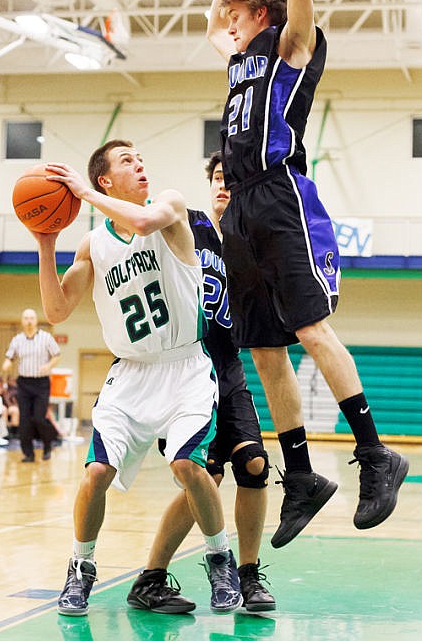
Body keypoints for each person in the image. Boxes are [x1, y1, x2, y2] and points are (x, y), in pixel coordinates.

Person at [206, 0, 408, 547]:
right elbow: (210, 26)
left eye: (237, 14)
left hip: (279, 196)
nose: (227, 25)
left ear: (260, 14)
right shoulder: (236, 59)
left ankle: (375, 456)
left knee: (313, 332)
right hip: (237, 209)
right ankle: (302, 477)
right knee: (264, 350)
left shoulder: (291, 43)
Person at [30, 140, 242, 616]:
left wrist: (82, 194)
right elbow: (56, 309)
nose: (140, 165)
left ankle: (219, 559)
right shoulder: (93, 243)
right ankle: (80, 568)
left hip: (186, 367)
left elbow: (141, 222)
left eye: (141, 159)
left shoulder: (168, 206)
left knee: (188, 466)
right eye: (128, 162)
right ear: (107, 179)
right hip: (130, 374)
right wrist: (45, 243)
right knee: (96, 473)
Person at [127, 152, 275, 614]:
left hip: (228, 367)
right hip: (186, 366)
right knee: (203, 475)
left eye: (233, 180)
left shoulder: (256, 245)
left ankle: (248, 576)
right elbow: (143, 226)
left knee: (253, 465)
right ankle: (152, 576)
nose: (224, 185)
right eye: (216, 178)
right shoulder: (186, 223)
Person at [2, 308, 60, 462]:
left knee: (39, 418)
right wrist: (6, 364)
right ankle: (28, 453)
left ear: (36, 320)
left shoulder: (46, 338)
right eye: (26, 318)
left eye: (31, 318)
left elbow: (57, 355)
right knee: (24, 420)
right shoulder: (17, 340)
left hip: (41, 383)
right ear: (22, 321)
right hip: (24, 384)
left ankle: (48, 445)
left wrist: (49, 366)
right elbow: (9, 357)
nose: (28, 321)